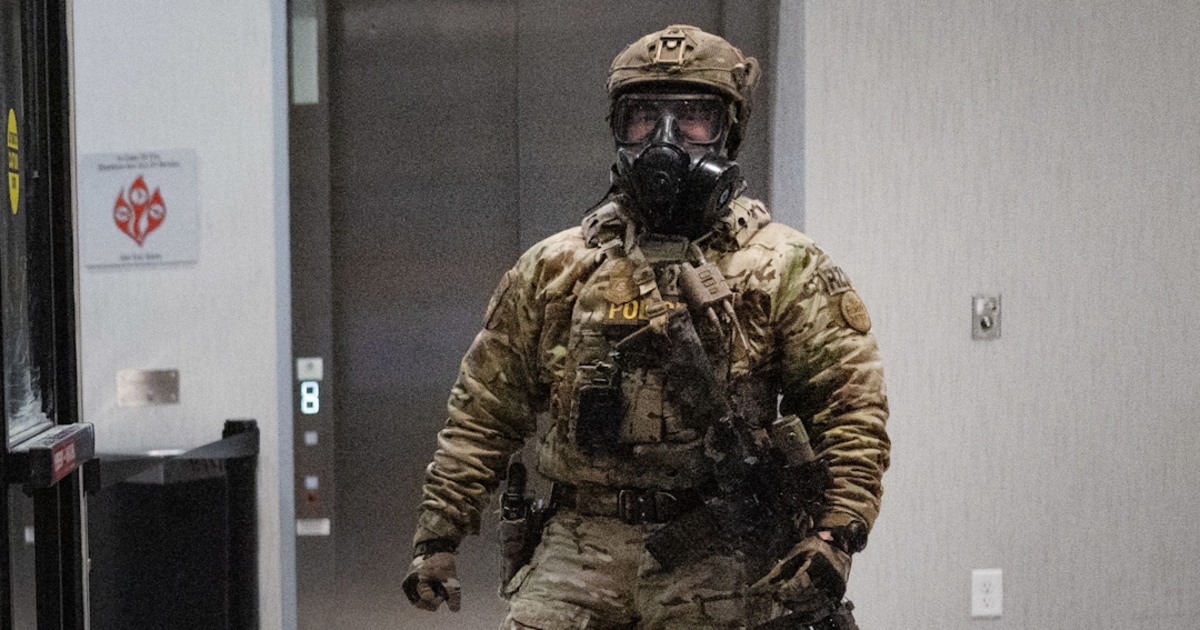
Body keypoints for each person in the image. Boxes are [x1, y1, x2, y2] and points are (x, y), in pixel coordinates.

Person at [403, 24, 890, 630]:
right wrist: (439, 534)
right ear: (618, 128)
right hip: (577, 550)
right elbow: (484, 410)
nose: (665, 138)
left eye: (693, 118)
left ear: (728, 131)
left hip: (724, 555)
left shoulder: (784, 266)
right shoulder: (557, 267)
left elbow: (850, 412)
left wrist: (835, 534)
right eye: (642, 118)